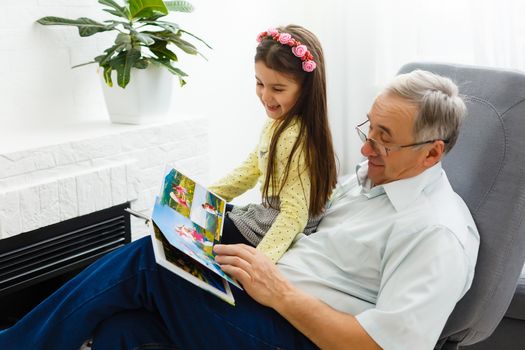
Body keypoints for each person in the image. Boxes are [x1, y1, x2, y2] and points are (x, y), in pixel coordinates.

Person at [0, 68, 480, 350]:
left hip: (296, 333)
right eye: (368, 130)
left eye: (384, 140)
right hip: (263, 298)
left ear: (432, 153)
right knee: (122, 328)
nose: (366, 149)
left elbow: (382, 348)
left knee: (150, 261)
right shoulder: (369, 183)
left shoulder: (436, 234)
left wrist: (280, 294)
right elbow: (296, 217)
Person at [208, 25, 338, 263]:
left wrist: (260, 263)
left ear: (306, 88)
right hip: (267, 219)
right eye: (260, 83)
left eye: (277, 89)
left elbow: (293, 214)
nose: (266, 96)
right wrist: (206, 195)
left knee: (190, 225)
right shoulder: (278, 125)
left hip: (269, 230)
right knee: (200, 212)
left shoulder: (293, 136)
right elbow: (250, 169)